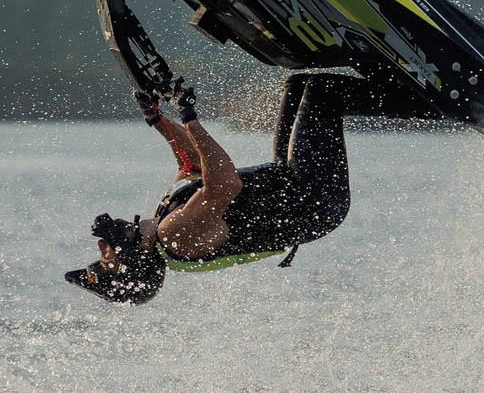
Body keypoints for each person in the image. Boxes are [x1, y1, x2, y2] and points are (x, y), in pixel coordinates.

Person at [65, 73, 388, 304]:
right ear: (136, 263)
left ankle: (394, 76)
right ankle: (434, 99)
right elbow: (224, 183)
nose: (102, 249)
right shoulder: (174, 236)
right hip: (313, 201)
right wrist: (189, 117)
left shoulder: (163, 221)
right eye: (108, 262)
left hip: (290, 180)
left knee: (299, 83)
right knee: (322, 92)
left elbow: (191, 163)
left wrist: (156, 119)